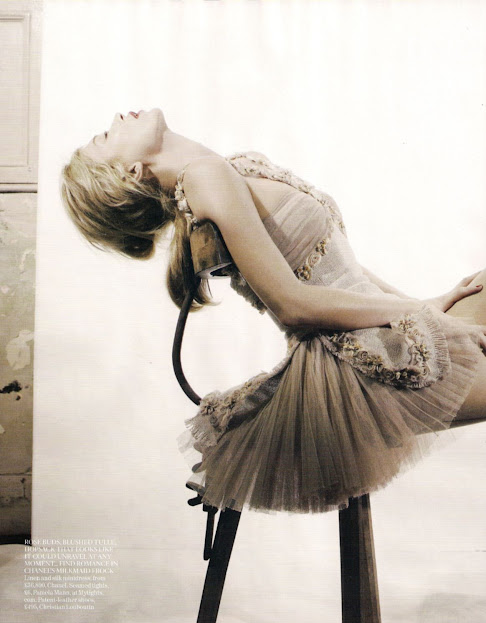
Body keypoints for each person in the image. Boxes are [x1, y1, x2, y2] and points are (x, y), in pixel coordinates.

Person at [61, 108, 486, 514]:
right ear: (132, 172)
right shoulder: (205, 178)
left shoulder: (225, 169)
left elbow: (339, 268)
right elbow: (292, 306)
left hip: (375, 332)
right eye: (106, 136)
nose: (118, 118)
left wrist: (423, 306)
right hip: (357, 362)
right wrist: (413, 311)